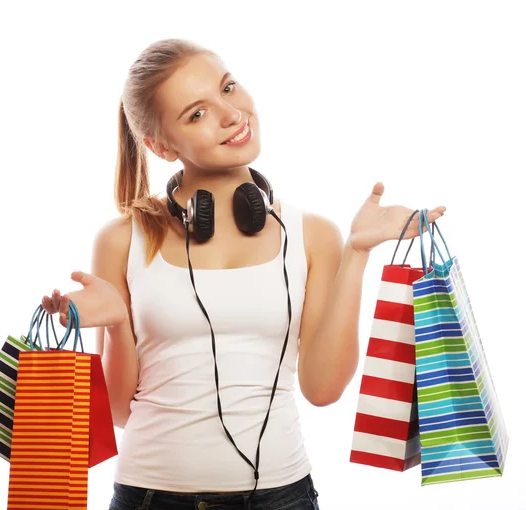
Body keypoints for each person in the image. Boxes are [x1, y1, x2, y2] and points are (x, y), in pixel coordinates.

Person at [41, 38, 446, 510]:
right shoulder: (122, 239)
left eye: (228, 88)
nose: (232, 114)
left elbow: (322, 390)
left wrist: (357, 252)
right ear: (158, 145)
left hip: (282, 495)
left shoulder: (312, 234)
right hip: (150, 496)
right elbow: (118, 411)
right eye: (196, 114)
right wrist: (115, 324)